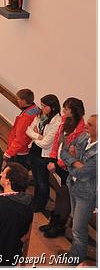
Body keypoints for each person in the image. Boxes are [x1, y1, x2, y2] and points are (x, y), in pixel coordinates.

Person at [42, 97, 86, 238]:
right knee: (60, 194)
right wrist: (52, 159)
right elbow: (57, 142)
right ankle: (53, 222)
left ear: (74, 112)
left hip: (70, 169)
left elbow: (76, 154)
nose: (63, 112)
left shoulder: (81, 131)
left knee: (64, 196)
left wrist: (61, 162)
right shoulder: (64, 123)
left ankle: (59, 225)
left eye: (66, 110)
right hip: (59, 163)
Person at [61, 113, 97, 263]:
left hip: (87, 193)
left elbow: (84, 174)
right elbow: (64, 152)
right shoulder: (83, 137)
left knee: (78, 229)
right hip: (73, 184)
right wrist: (75, 162)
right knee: (74, 221)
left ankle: (75, 260)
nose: (85, 126)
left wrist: (72, 160)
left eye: (90, 125)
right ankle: (74, 254)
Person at [0, 162, 34, 265]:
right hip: (14, 252)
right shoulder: (27, 201)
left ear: (8, 181)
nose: (0, 174)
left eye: (3, 173)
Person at [25, 94, 61, 212]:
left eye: (45, 106)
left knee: (42, 182)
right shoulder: (41, 115)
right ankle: (35, 201)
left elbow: (46, 143)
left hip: (44, 156)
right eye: (42, 105)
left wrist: (37, 136)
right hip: (34, 151)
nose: (42, 108)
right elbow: (28, 130)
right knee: (36, 179)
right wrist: (38, 136)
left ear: (53, 107)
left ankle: (40, 205)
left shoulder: (57, 122)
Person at [4, 88, 40, 169]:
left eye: (18, 99)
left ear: (24, 101)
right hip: (24, 149)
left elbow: (20, 138)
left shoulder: (26, 117)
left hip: (19, 152)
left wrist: (8, 153)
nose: (17, 101)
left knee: (14, 173)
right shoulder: (35, 109)